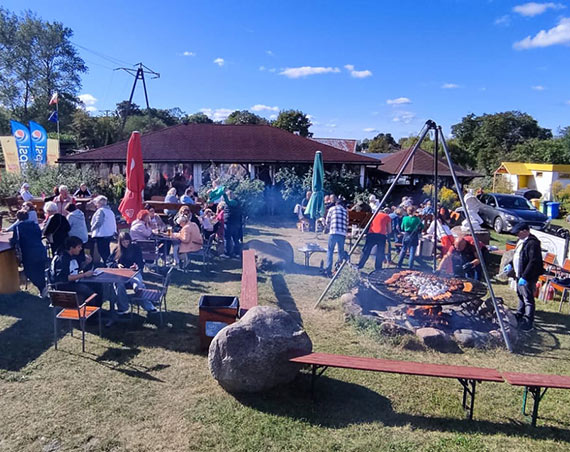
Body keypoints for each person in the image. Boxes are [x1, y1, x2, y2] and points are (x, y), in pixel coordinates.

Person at [503, 223, 543, 331]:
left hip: (528, 275)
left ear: (525, 231)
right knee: (520, 294)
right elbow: (518, 255)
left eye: (518, 232)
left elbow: (533, 261)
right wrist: (511, 264)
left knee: (528, 299)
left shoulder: (533, 243)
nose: (516, 235)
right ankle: (520, 314)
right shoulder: (521, 241)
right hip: (519, 273)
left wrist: (525, 277)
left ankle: (528, 322)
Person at [107, 232, 156, 313]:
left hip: (134, 273)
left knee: (138, 285)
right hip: (121, 274)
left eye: (127, 241)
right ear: (120, 242)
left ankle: (148, 306)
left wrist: (136, 266)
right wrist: (117, 265)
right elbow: (109, 262)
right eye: (123, 242)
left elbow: (140, 262)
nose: (126, 244)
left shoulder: (135, 248)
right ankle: (123, 307)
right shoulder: (117, 249)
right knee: (119, 285)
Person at [49, 236, 97, 304]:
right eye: (78, 247)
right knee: (89, 292)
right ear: (71, 248)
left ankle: (98, 311)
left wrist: (86, 263)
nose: (80, 249)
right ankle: (90, 313)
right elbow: (65, 278)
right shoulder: (63, 259)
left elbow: (73, 270)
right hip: (63, 285)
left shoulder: (71, 255)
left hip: (71, 283)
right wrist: (84, 275)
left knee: (96, 286)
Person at [10, 210, 47, 295]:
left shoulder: (18, 227)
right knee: (40, 270)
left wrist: (11, 241)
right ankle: (43, 289)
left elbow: (15, 240)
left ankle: (42, 287)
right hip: (40, 250)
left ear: (18, 218)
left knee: (29, 272)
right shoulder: (35, 225)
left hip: (29, 253)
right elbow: (39, 235)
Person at [358, 206, 391, 271]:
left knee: (366, 250)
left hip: (371, 234)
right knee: (380, 252)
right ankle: (378, 268)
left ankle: (360, 265)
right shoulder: (387, 217)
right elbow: (389, 230)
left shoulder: (373, 215)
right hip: (381, 236)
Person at [324, 195, 348, 277]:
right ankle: (337, 269)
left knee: (330, 250)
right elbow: (346, 223)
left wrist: (327, 228)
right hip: (342, 234)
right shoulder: (345, 211)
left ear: (336, 203)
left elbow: (327, 221)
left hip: (334, 232)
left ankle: (328, 270)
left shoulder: (332, 209)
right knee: (340, 252)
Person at [90, 195, 117, 264]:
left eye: (97, 203)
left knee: (102, 251)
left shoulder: (101, 211)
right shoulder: (110, 211)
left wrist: (92, 228)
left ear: (100, 203)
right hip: (109, 233)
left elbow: (99, 222)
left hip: (102, 234)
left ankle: (108, 264)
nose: (96, 205)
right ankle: (109, 263)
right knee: (106, 250)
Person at [223, 190, 242, 258]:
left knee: (227, 238)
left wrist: (223, 194)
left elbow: (228, 202)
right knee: (235, 238)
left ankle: (227, 253)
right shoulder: (236, 202)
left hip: (230, 223)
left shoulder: (233, 202)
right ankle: (237, 253)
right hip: (235, 223)